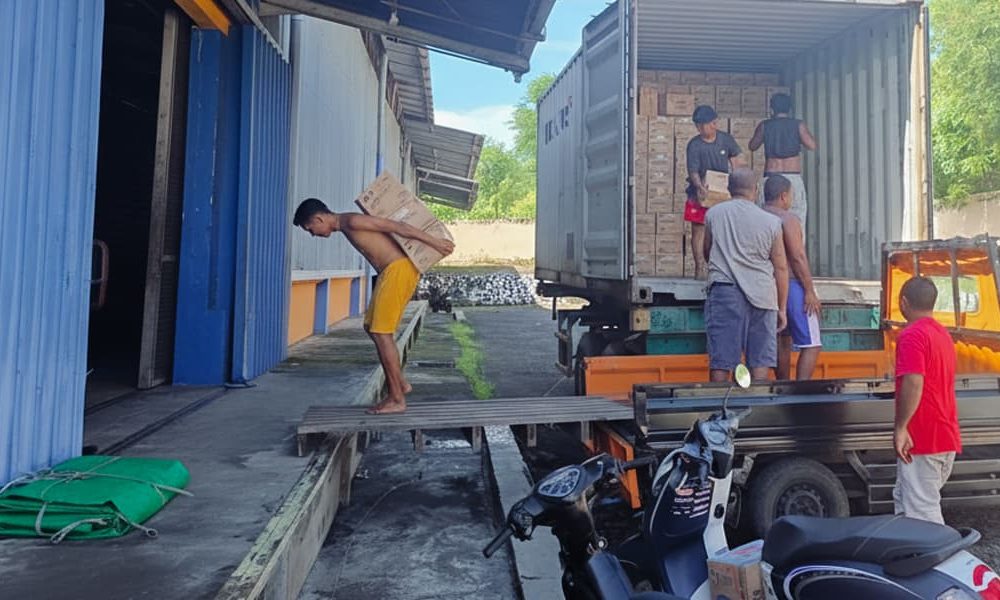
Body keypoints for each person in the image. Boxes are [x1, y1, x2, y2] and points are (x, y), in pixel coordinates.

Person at [293, 198, 455, 414]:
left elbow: (398, 227)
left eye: (310, 229)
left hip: (398, 269)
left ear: (319, 219)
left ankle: (397, 398)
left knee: (381, 332)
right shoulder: (346, 225)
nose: (313, 234)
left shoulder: (352, 221)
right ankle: (400, 384)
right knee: (371, 327)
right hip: (389, 272)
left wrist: (435, 243)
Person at [703, 168, 789, 383]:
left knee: (722, 360)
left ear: (729, 188)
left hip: (725, 292)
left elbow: (707, 251)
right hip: (763, 295)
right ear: (755, 189)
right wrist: (782, 307)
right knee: (760, 361)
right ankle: (756, 402)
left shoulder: (714, 214)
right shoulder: (771, 222)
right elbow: (781, 267)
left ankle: (719, 403)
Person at [892, 276, 961, 524]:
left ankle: (940, 550)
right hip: (943, 435)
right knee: (906, 501)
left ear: (904, 302)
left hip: (923, 438)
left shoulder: (912, 335)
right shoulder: (942, 334)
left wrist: (901, 427)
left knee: (923, 514)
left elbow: (914, 381)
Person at [762, 175, 822, 380]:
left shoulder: (758, 216)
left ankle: (783, 386)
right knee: (811, 343)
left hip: (768, 285)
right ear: (783, 196)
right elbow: (797, 257)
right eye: (791, 195)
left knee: (782, 338)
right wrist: (809, 290)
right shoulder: (788, 219)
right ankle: (800, 389)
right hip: (792, 284)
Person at [684, 105, 745, 279]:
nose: (709, 127)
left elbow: (737, 163)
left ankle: (723, 268)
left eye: (710, 123)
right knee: (698, 229)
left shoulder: (726, 140)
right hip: (699, 192)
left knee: (724, 230)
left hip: (723, 192)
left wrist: (738, 186)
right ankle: (700, 267)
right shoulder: (694, 145)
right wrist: (699, 186)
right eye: (701, 125)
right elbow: (693, 171)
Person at [748, 93, 817, 231]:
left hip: (771, 178)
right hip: (792, 178)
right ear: (789, 108)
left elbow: (752, 146)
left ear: (772, 108)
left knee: (767, 220)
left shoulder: (765, 126)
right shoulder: (798, 125)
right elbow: (812, 145)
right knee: (796, 219)